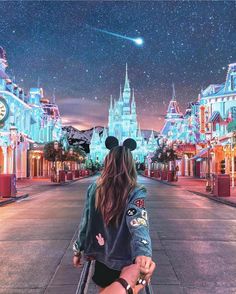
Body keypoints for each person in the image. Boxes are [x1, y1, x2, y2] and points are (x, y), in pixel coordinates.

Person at [73, 136, 154, 293]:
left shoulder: (94, 189)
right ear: (130, 164)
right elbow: (138, 222)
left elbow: (86, 222)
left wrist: (78, 249)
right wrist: (143, 253)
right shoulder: (135, 192)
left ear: (107, 163)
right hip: (127, 260)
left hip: (102, 256)